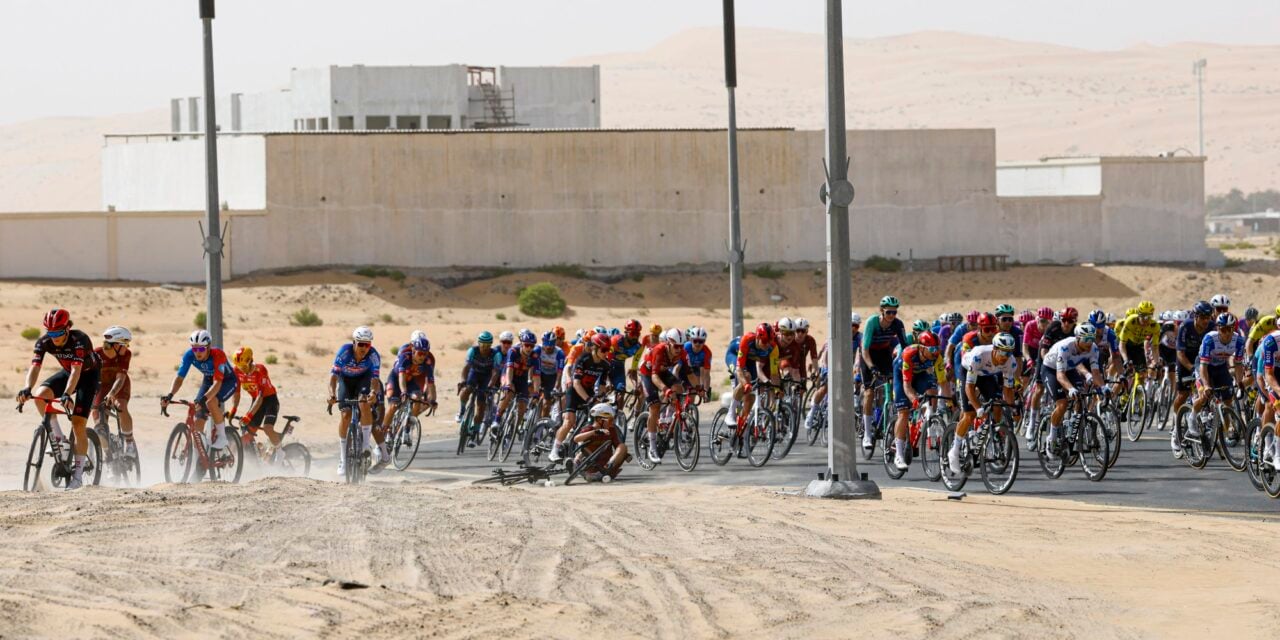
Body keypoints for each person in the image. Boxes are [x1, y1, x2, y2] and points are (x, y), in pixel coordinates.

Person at [16, 309, 102, 490]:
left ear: (67, 328)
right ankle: (60, 439)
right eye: (50, 332)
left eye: (58, 333)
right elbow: (35, 367)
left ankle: (77, 477)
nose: (54, 337)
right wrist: (27, 388)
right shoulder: (44, 342)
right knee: (40, 395)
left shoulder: (80, 340)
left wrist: (66, 393)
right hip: (68, 372)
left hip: (88, 376)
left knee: (78, 424)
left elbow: (77, 372)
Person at [162, 329, 240, 463]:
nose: (197, 352)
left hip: (227, 381)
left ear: (208, 347)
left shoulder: (218, 354)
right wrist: (169, 395)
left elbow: (218, 383)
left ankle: (222, 436)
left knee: (210, 402)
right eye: (194, 349)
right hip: (209, 379)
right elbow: (179, 378)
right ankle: (201, 456)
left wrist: (204, 398)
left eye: (201, 349)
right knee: (198, 415)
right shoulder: (189, 355)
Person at [950, 333, 1019, 472]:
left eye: (1009, 352)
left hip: (987, 375)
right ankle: (954, 450)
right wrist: (978, 408)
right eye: (1003, 351)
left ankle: (990, 431)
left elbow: (1008, 390)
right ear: (994, 348)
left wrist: (1013, 409)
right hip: (967, 371)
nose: (1005, 356)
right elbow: (969, 388)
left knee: (998, 404)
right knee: (969, 414)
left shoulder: (1010, 362)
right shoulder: (979, 355)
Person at [325, 326, 383, 474]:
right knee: (346, 415)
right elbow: (333, 377)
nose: (364, 347)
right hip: (346, 381)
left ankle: (364, 447)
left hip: (364, 379)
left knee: (364, 402)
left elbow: (375, 379)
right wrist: (332, 394)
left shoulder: (374, 355)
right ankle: (343, 459)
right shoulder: (344, 352)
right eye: (361, 344)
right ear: (354, 342)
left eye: (367, 344)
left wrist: (373, 392)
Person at [1040, 324, 1103, 459]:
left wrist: (1103, 388)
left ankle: (1071, 429)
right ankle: (1052, 437)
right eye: (1086, 339)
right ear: (1078, 339)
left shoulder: (1093, 349)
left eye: (1092, 339)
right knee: (1062, 403)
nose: (1089, 343)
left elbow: (1096, 374)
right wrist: (1070, 389)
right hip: (1050, 370)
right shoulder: (1065, 347)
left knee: (1080, 398)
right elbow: (1060, 376)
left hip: (1070, 369)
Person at [549, 333, 613, 462]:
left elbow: (601, 386)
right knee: (569, 422)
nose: (606, 353)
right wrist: (589, 400)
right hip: (575, 391)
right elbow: (576, 383)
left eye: (608, 350)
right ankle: (554, 451)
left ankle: (580, 452)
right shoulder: (583, 360)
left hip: (588, 392)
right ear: (594, 348)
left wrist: (600, 398)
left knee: (597, 420)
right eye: (604, 350)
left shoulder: (605, 365)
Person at [638, 328, 698, 463]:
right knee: (655, 407)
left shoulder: (682, 352)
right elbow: (654, 377)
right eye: (676, 346)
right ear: (668, 344)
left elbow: (690, 374)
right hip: (648, 374)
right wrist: (665, 390)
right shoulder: (659, 350)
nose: (678, 349)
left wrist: (700, 388)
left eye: (681, 346)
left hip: (663, 372)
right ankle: (652, 447)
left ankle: (669, 417)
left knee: (679, 388)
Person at [379, 333, 437, 465]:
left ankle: (407, 428)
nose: (422, 356)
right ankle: (385, 432)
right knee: (394, 405)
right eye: (420, 353)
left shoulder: (427, 363)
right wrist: (404, 392)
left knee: (417, 398)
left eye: (425, 353)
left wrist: (432, 400)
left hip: (411, 382)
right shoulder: (405, 357)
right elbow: (401, 377)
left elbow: (431, 384)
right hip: (396, 380)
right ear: (413, 350)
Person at [1187, 313, 1246, 439]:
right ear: (1218, 329)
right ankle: (1192, 417)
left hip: (1220, 367)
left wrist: (1240, 382)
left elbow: (1238, 364)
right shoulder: (1210, 339)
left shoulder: (1239, 341)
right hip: (1204, 365)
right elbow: (1203, 366)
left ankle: (1223, 434)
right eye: (1222, 329)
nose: (1226, 333)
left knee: (1228, 401)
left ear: (1233, 329)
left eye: (1229, 329)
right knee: (1204, 394)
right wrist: (1207, 385)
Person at [860, 296, 907, 448]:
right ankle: (867, 434)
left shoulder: (898, 324)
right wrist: (872, 367)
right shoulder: (872, 322)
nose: (892, 316)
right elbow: (864, 350)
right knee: (869, 392)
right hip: (869, 354)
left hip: (884, 353)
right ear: (881, 311)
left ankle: (888, 421)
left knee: (892, 384)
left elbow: (905, 347)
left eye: (894, 312)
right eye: (889, 312)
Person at [891, 331, 940, 470]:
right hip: (902, 377)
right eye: (932, 349)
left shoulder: (936, 356)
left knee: (932, 392)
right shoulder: (909, 354)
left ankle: (928, 422)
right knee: (904, 412)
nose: (935, 352)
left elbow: (940, 381)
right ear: (922, 347)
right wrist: (914, 399)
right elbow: (907, 385)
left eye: (937, 349)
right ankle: (899, 455)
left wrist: (948, 400)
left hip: (920, 375)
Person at [228, 346, 284, 461]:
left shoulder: (260, 370)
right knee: (246, 432)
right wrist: (233, 409)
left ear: (250, 361)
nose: (241, 369)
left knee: (267, 428)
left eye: (243, 366)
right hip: (256, 402)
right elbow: (237, 393)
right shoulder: (236, 371)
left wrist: (249, 415)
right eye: (239, 366)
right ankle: (238, 458)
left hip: (269, 400)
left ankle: (280, 451)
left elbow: (260, 396)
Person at [92, 326, 135, 460]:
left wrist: (112, 393)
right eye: (125, 344)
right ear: (116, 345)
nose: (127, 348)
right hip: (102, 386)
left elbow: (120, 378)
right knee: (99, 424)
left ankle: (129, 443)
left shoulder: (126, 354)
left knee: (121, 406)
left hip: (119, 385)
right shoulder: (96, 354)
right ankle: (108, 456)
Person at [733, 323, 780, 432]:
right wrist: (745, 384)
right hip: (735, 355)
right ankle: (730, 414)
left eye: (770, 341)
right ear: (758, 337)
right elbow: (739, 368)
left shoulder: (773, 348)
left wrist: (777, 389)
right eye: (764, 342)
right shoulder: (747, 339)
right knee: (746, 378)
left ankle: (742, 423)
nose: (767, 345)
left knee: (751, 398)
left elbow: (774, 374)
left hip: (750, 362)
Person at [457, 331, 502, 443]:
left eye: (487, 345)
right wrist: (463, 380)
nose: (484, 348)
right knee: (467, 388)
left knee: (481, 405)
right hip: (474, 373)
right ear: (479, 343)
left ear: (491, 345)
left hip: (486, 377)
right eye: (482, 345)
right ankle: (462, 410)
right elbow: (466, 367)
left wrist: (490, 386)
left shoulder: (496, 354)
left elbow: (495, 373)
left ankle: (475, 431)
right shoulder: (473, 350)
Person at [572, 403, 629, 482]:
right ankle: (576, 464)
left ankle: (606, 468)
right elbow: (576, 439)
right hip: (590, 464)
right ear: (599, 420)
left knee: (622, 446)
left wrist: (622, 453)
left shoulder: (611, 430)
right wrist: (594, 432)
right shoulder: (589, 429)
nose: (612, 423)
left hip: (605, 466)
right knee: (582, 447)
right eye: (610, 420)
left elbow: (618, 447)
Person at [496, 329, 537, 437]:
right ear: (522, 344)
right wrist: (508, 383)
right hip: (509, 375)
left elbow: (536, 377)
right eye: (527, 345)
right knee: (509, 392)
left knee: (523, 405)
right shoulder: (513, 351)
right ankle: (497, 419)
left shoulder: (534, 357)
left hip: (522, 378)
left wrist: (536, 392)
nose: (529, 348)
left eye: (532, 346)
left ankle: (515, 428)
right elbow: (509, 369)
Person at [532, 331, 566, 417]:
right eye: (546, 344)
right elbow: (531, 366)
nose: (548, 347)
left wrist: (556, 386)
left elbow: (560, 372)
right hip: (539, 373)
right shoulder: (537, 349)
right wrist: (529, 379)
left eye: (551, 345)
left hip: (552, 377)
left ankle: (541, 424)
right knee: (530, 391)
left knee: (547, 404)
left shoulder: (560, 353)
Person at [683, 326, 714, 400]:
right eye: (695, 341)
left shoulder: (707, 352)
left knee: (694, 391)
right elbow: (677, 368)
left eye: (701, 341)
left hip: (694, 368)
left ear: (704, 341)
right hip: (682, 367)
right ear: (691, 340)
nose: (697, 344)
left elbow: (706, 374)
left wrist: (706, 390)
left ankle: (689, 407)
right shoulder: (686, 347)